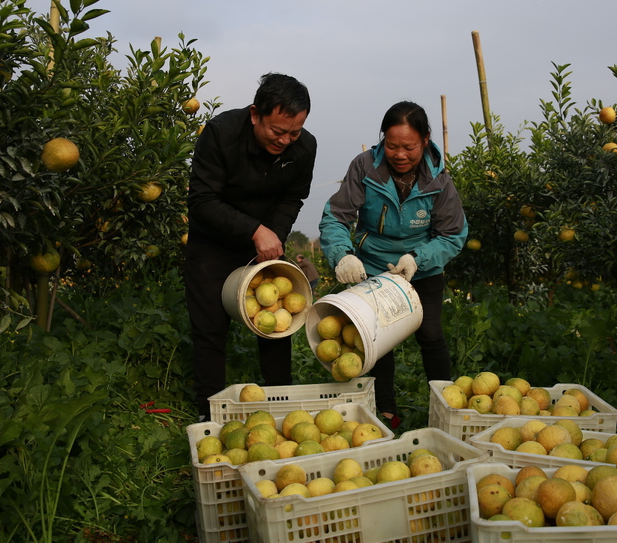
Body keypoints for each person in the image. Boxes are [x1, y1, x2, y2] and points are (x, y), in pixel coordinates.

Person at [319, 101, 467, 428]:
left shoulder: (439, 179)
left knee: (430, 334)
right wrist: (342, 254)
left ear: (425, 140)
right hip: (373, 268)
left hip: (420, 267)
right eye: (392, 145)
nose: (400, 154)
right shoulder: (364, 168)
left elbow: (453, 234)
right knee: (375, 340)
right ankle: (386, 413)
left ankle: (446, 408)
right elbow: (336, 217)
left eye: (409, 147)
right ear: (382, 139)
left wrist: (418, 258)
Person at [185, 73, 317, 420]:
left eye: (294, 132)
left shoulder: (304, 148)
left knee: (276, 324)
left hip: (266, 243)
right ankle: (209, 413)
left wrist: (271, 236)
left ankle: (281, 404)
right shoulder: (221, 133)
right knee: (210, 327)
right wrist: (253, 230)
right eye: (277, 131)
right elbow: (201, 200)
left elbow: (293, 198)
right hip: (213, 240)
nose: (286, 140)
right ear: (256, 114)